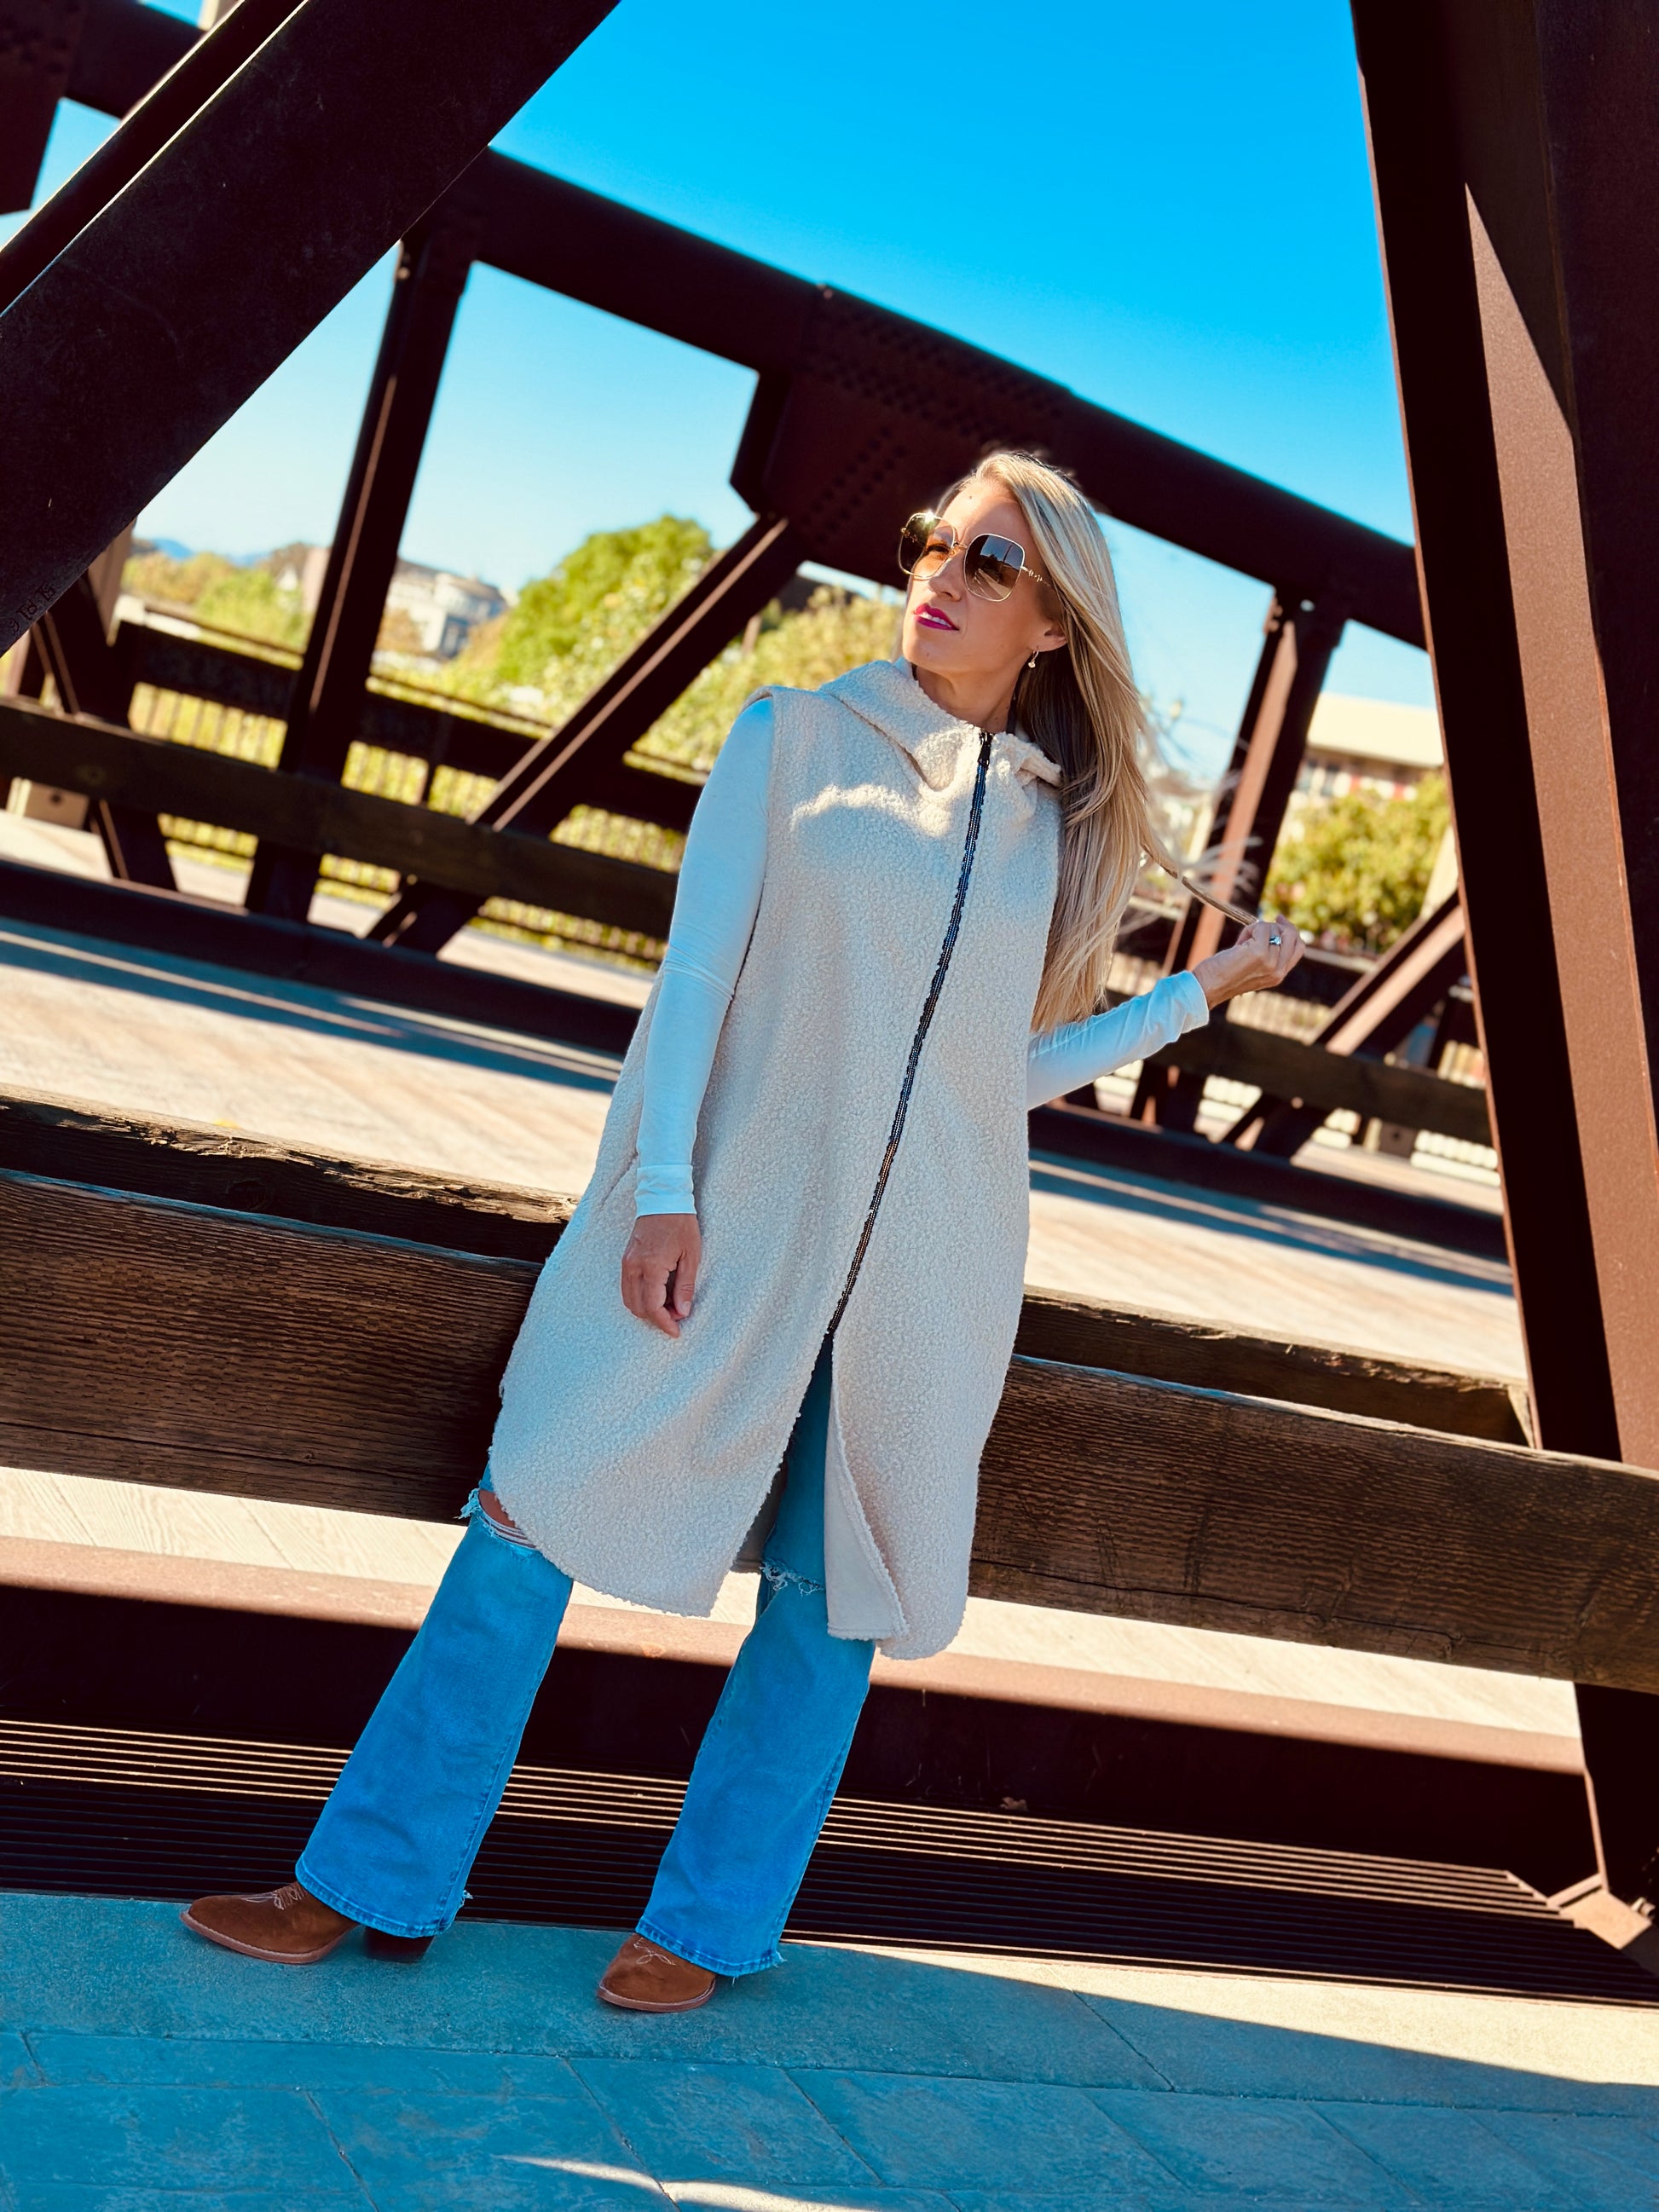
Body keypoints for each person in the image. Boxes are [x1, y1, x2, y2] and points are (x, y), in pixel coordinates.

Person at [182, 450, 1303, 2010]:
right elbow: (692, 983)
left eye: (988, 563)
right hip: (722, 1223)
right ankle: (364, 1879)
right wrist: (660, 1193)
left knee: (827, 1599)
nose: (939, 576)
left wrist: (1196, 998)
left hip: (927, 1266)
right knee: (530, 1512)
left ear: (1051, 624)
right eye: (932, 541)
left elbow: (995, 1078)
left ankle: (705, 1927)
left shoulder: (1043, 826)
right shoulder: (793, 738)